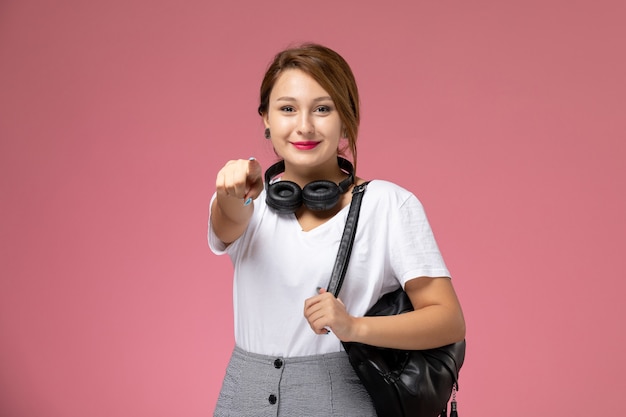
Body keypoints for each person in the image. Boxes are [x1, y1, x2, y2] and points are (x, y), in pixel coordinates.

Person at [208, 43, 466, 416]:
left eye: (323, 109)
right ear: (265, 118)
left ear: (346, 119)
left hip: (341, 401)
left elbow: (448, 319)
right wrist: (230, 190)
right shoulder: (250, 203)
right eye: (287, 109)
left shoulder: (388, 205)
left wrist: (354, 327)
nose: (304, 126)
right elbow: (228, 218)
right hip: (242, 399)